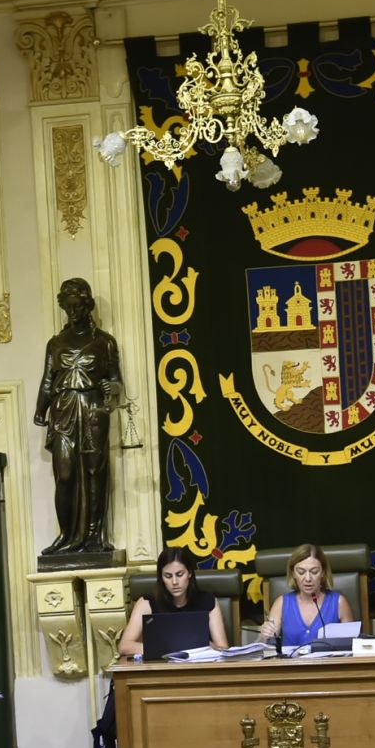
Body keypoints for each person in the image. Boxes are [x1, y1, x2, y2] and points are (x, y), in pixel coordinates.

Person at [34, 277, 123, 554]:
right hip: (63, 409)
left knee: (95, 471)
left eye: (76, 307)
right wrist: (40, 409)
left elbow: (117, 382)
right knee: (66, 472)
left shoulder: (105, 342)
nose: (72, 313)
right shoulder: (56, 342)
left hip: (93, 407)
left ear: (87, 306)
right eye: (67, 307)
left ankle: (95, 536)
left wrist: (114, 388)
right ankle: (66, 535)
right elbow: (48, 380)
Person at [117, 549, 230, 657]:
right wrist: (171, 648)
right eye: (168, 576)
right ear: (161, 577)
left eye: (180, 574)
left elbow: (223, 648)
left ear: (189, 573)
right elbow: (124, 646)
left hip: (199, 669)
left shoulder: (208, 601)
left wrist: (207, 647)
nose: (174, 582)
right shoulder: (146, 603)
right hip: (159, 670)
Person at [257, 545, 356, 650]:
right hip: (290, 665)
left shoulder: (339, 603)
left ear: (323, 572)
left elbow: (351, 647)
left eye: (314, 572)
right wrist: (265, 636)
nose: (308, 578)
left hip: (328, 665)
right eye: (301, 572)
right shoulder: (281, 603)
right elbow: (267, 648)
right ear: (293, 573)